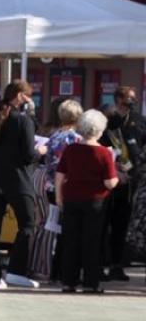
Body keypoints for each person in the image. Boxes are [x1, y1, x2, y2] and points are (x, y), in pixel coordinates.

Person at [0, 80, 45, 290]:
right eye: (28, 96)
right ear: (20, 96)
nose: (31, 100)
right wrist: (41, 152)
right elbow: (28, 155)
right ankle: (16, 271)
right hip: (17, 181)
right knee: (27, 225)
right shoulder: (22, 121)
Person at [56, 110, 118, 294]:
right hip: (95, 202)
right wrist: (117, 181)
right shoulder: (104, 153)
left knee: (70, 241)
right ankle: (91, 283)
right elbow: (109, 182)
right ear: (99, 130)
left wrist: (59, 197)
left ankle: (69, 282)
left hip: (71, 199)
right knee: (91, 242)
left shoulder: (71, 149)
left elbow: (60, 175)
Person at [31, 99, 85, 280]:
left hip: (47, 184)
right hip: (63, 187)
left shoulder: (54, 135)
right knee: (56, 228)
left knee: (46, 224)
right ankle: (52, 268)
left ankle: (40, 265)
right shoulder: (75, 138)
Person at [99, 87, 143, 280]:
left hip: (130, 181)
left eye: (133, 100)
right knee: (103, 224)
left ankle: (117, 265)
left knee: (121, 225)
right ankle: (99, 265)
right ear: (117, 100)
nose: (130, 103)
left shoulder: (139, 121)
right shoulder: (106, 120)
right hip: (108, 179)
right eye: (127, 100)